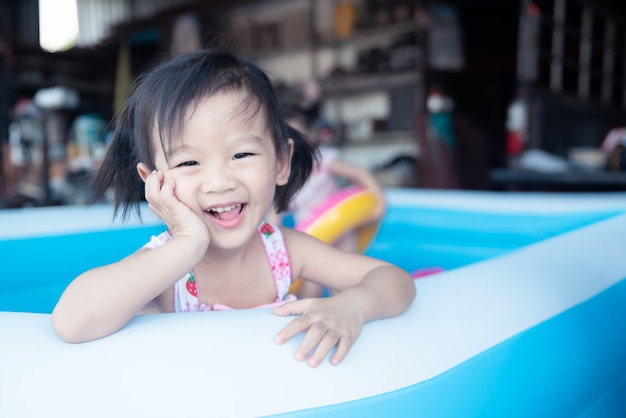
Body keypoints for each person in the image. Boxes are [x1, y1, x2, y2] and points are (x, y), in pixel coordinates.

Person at [51, 48, 416, 368]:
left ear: (280, 163)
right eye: (188, 163)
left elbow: (396, 281)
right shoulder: (166, 271)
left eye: (241, 154)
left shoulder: (285, 251)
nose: (220, 181)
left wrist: (352, 306)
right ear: (154, 181)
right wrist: (187, 243)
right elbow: (71, 322)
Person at [269, 97, 387, 298]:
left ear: (310, 135)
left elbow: (360, 174)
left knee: (342, 285)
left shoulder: (322, 160)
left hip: (339, 227)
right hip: (312, 236)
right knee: (311, 290)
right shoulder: (285, 175)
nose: (294, 143)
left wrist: (380, 202)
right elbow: (275, 217)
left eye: (299, 135)